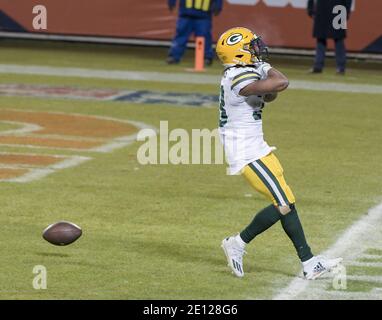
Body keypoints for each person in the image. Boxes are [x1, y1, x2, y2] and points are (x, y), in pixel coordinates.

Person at [216, 27, 342, 279]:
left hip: (257, 148)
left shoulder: (242, 72)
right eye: (251, 46)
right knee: (283, 204)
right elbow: (281, 82)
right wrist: (265, 67)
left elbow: (270, 95)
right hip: (246, 152)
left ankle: (309, 263)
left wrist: (261, 69)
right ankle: (237, 243)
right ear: (239, 53)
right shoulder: (236, 76)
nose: (256, 49)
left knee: (287, 202)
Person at [167, 0, 223, 65]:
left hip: (203, 15)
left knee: (204, 38)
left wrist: (218, 6)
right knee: (181, 36)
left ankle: (206, 58)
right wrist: (171, 2)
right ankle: (174, 56)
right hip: (186, 13)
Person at [308, 0, 353, 74]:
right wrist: (347, 11)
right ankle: (338, 67)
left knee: (335, 39)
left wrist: (310, 8)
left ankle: (320, 66)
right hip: (333, 9)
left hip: (330, 9)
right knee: (325, 39)